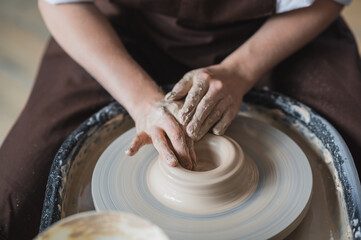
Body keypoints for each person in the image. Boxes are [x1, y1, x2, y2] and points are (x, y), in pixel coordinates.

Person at [1, 0, 360, 239]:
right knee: (14, 199)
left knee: (353, 171)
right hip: (121, 33)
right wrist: (141, 100)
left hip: (275, 33)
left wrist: (241, 70)